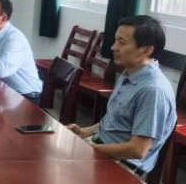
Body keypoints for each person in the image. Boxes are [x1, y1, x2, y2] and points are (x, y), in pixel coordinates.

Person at [66, 15, 176, 175]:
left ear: (147, 49)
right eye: (115, 40)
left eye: (122, 42)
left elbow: (138, 150)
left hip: (123, 164)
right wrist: (84, 132)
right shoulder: (130, 72)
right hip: (101, 146)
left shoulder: (153, 91)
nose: (113, 47)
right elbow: (116, 121)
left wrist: (87, 149)